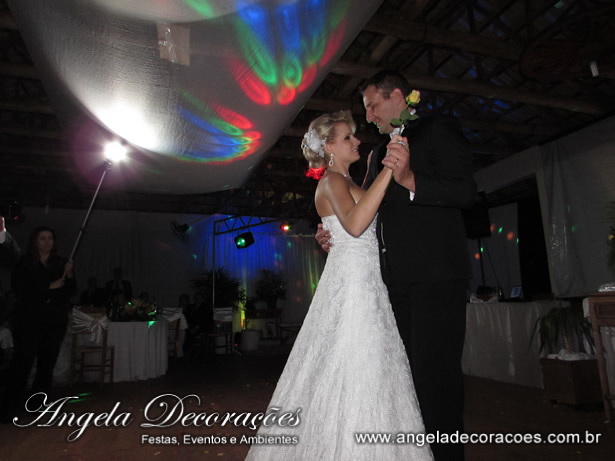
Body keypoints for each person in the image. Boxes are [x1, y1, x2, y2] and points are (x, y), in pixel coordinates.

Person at [246, 110, 432, 460]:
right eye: (348, 137)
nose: (357, 140)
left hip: (367, 282)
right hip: (353, 285)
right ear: (329, 147)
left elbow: (363, 222)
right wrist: (389, 170)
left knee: (369, 362)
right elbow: (357, 225)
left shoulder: (347, 181)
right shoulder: (331, 180)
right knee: (357, 359)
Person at [316, 71, 476, 461]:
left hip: (436, 276)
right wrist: (331, 232)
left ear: (398, 97)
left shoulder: (436, 129)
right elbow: (370, 214)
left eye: (373, 106)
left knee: (436, 378)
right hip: (392, 284)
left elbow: (465, 191)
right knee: (405, 378)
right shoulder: (376, 155)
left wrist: (410, 178)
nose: (369, 117)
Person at [0, 226, 76, 420]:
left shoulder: (60, 263)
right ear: (35, 241)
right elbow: (20, 289)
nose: (47, 242)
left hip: (54, 321)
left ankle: (37, 404)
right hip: (29, 321)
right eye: (42, 238)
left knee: (46, 365)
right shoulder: (24, 263)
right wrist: (49, 286)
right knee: (22, 363)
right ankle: (9, 406)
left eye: (50, 238)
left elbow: (70, 291)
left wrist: (69, 275)